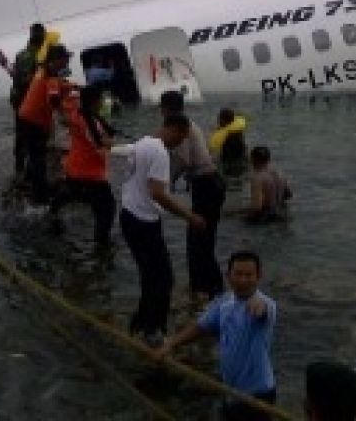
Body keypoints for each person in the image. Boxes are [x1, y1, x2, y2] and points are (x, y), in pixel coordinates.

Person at [114, 114, 205, 344]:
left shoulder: (142, 143)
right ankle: (154, 332)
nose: (181, 143)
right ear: (175, 129)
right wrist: (189, 216)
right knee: (163, 279)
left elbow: (122, 154)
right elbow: (158, 193)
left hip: (129, 215)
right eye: (182, 138)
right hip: (143, 221)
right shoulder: (161, 153)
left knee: (150, 275)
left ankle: (141, 323)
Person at [158, 250, 278, 420]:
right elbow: (200, 327)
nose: (243, 280)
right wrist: (171, 344)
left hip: (258, 394)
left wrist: (258, 308)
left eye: (249, 275)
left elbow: (263, 312)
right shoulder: (224, 303)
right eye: (238, 274)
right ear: (228, 276)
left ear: (258, 277)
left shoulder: (267, 304)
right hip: (229, 390)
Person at [160, 89, 226, 301]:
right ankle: (213, 288)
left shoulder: (182, 128)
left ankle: (203, 291)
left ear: (165, 109)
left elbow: (182, 161)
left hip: (206, 186)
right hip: (211, 184)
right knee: (204, 241)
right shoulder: (188, 123)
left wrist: (163, 183)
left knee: (198, 243)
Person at [48, 83, 117, 244]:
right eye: (101, 98)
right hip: (91, 176)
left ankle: (52, 214)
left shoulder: (75, 113)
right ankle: (101, 247)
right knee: (107, 209)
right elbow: (99, 145)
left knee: (69, 193)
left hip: (73, 170)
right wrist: (121, 146)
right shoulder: (90, 122)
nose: (103, 101)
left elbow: (64, 116)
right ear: (95, 101)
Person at [17, 42, 75, 205]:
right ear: (56, 60)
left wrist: (74, 86)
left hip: (25, 117)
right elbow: (54, 99)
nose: (67, 62)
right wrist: (65, 117)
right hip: (34, 121)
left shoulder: (43, 72)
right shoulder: (51, 77)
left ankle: (27, 183)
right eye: (65, 58)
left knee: (34, 154)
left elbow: (56, 86)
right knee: (39, 159)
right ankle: (40, 199)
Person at [7, 24, 45, 178]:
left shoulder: (21, 54)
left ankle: (19, 168)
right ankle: (27, 170)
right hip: (28, 100)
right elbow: (26, 80)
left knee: (22, 134)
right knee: (33, 136)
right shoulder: (36, 56)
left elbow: (16, 75)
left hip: (19, 99)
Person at [210, 107, 248, 176]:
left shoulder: (231, 137)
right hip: (240, 164)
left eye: (219, 119)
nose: (218, 122)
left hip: (232, 167)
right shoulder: (237, 133)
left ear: (224, 121)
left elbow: (228, 157)